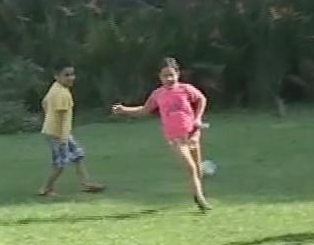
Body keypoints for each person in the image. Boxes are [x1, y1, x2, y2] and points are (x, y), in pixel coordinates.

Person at [111, 57, 209, 211]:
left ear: (177, 74)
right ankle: (200, 199)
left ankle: (198, 192)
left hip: (192, 133)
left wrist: (197, 118)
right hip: (175, 138)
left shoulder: (186, 89)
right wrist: (124, 110)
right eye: (165, 76)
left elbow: (201, 99)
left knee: (197, 169)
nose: (169, 79)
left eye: (172, 74)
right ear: (160, 77)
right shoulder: (158, 94)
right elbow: (144, 110)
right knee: (190, 168)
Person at [38, 64, 104, 197]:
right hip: (57, 133)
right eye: (66, 75)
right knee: (60, 163)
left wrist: (49, 117)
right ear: (57, 76)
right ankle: (45, 188)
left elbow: (44, 102)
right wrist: (63, 137)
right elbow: (62, 117)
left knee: (77, 155)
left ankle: (86, 183)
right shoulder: (62, 93)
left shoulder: (56, 88)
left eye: (72, 74)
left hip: (60, 132)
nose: (71, 78)